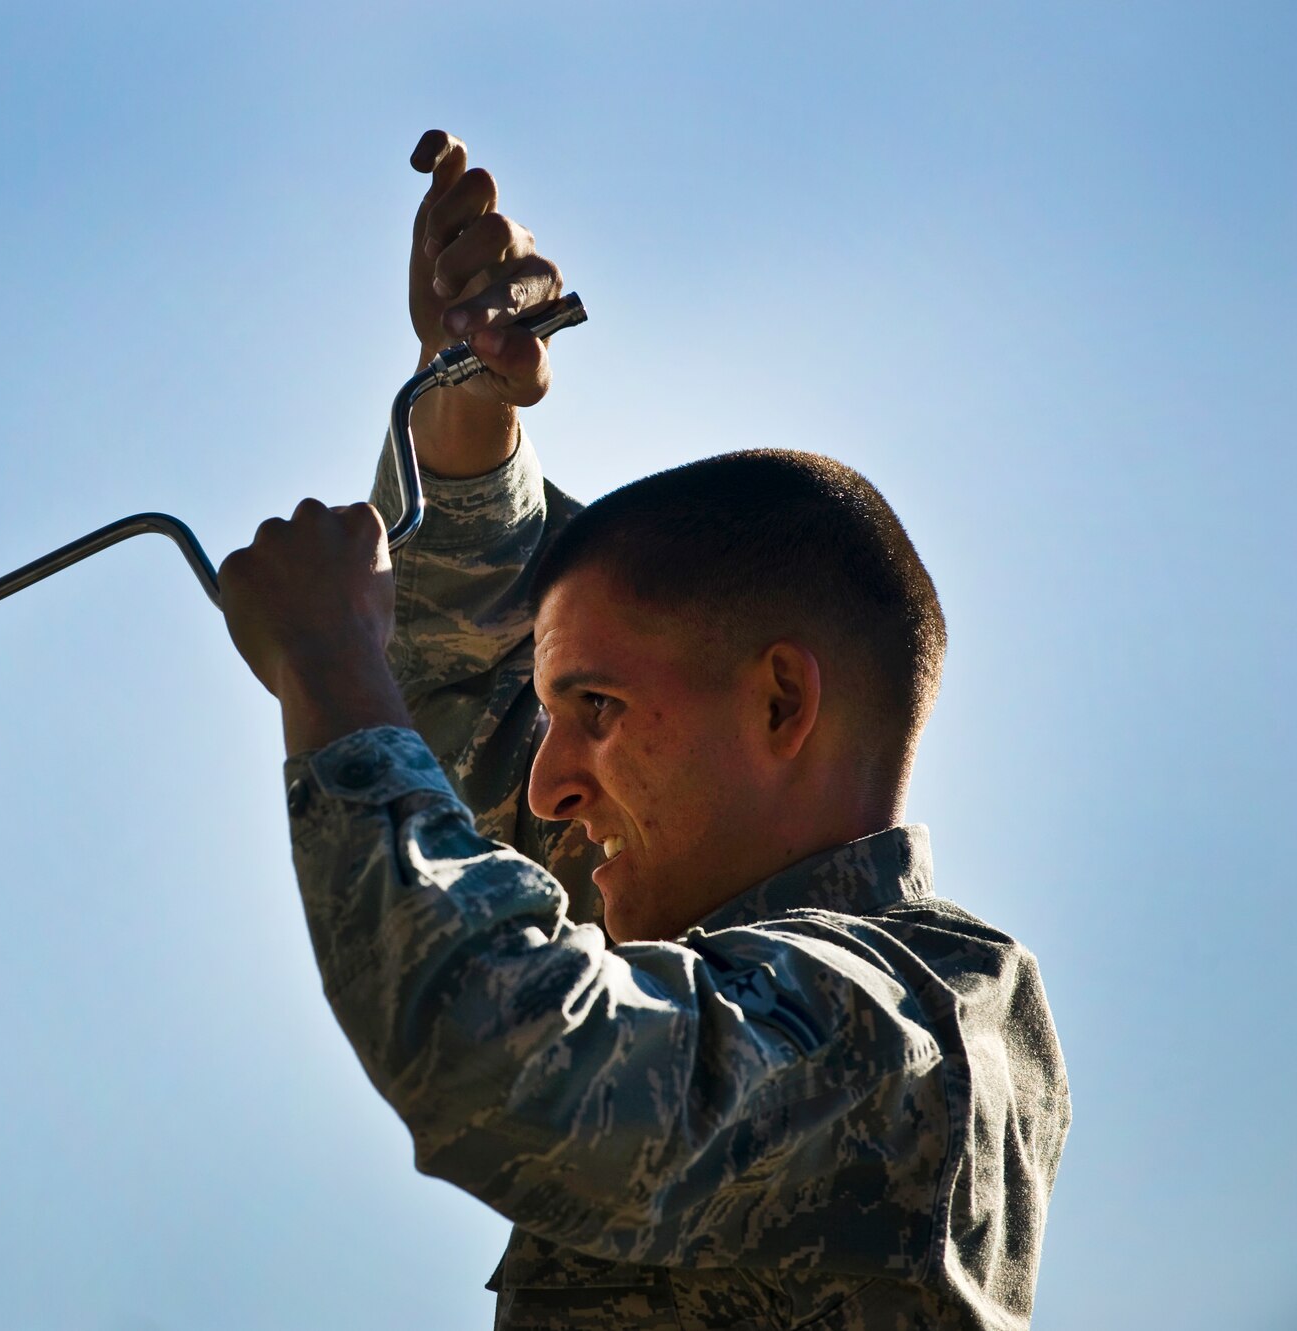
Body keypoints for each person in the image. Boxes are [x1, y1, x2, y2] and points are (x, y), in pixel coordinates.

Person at [216, 130, 1072, 1329]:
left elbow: (510, 1048)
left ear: (779, 702)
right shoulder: (723, 927)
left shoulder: (900, 1029)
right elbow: (481, 736)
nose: (552, 785)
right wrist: (458, 410)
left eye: (598, 711)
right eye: (561, 711)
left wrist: (331, 672)